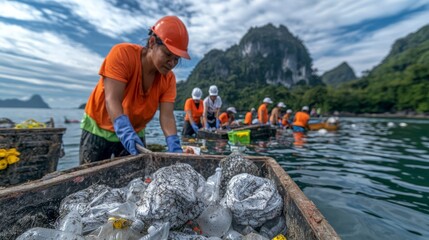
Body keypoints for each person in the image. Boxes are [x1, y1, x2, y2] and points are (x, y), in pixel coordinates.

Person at [79, 16, 190, 164]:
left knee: (135, 182)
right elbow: (112, 99)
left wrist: (173, 144)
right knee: (89, 180)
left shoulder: (168, 79)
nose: (172, 63)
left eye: (176, 59)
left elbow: (167, 116)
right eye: (168, 55)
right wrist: (125, 131)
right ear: (152, 43)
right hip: (98, 129)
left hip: (135, 133)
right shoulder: (122, 54)